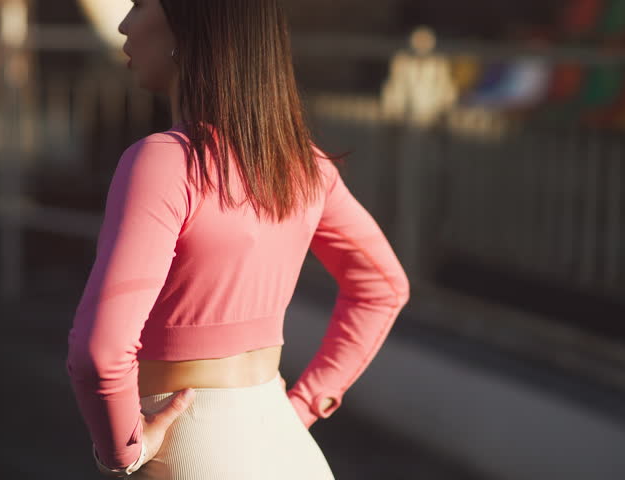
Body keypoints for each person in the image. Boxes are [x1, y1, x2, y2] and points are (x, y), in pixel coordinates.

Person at [65, 1, 410, 478]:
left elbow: (99, 355)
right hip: (291, 449)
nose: (124, 24)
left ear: (188, 27)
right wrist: (304, 405)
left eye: (140, 4)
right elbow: (384, 287)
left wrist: (122, 450)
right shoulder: (308, 166)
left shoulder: (164, 161)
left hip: (189, 452)